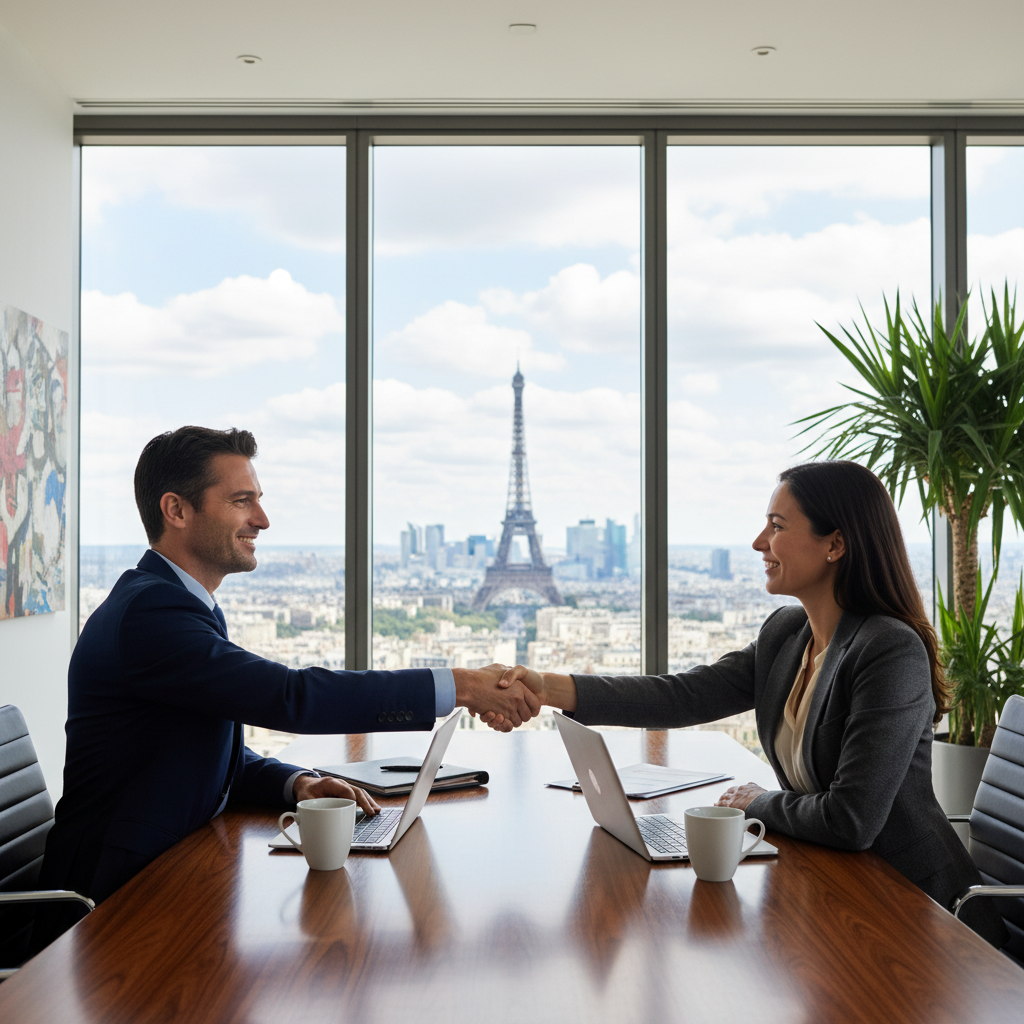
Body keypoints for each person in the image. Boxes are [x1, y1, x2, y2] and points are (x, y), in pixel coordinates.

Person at [496, 461, 1007, 947]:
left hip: (922, 913)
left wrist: (754, 803)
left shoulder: (889, 650)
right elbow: (683, 695)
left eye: (777, 526)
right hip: (838, 888)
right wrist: (546, 689)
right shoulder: (787, 634)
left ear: (836, 544)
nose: (759, 542)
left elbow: (851, 820)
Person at [40, 426, 538, 904]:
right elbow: (292, 697)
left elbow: (202, 749)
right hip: (109, 901)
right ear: (176, 510)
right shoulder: (153, 615)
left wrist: (294, 783)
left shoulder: (181, 604)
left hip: (174, 870)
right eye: (242, 501)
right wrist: (463, 685)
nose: (262, 519)